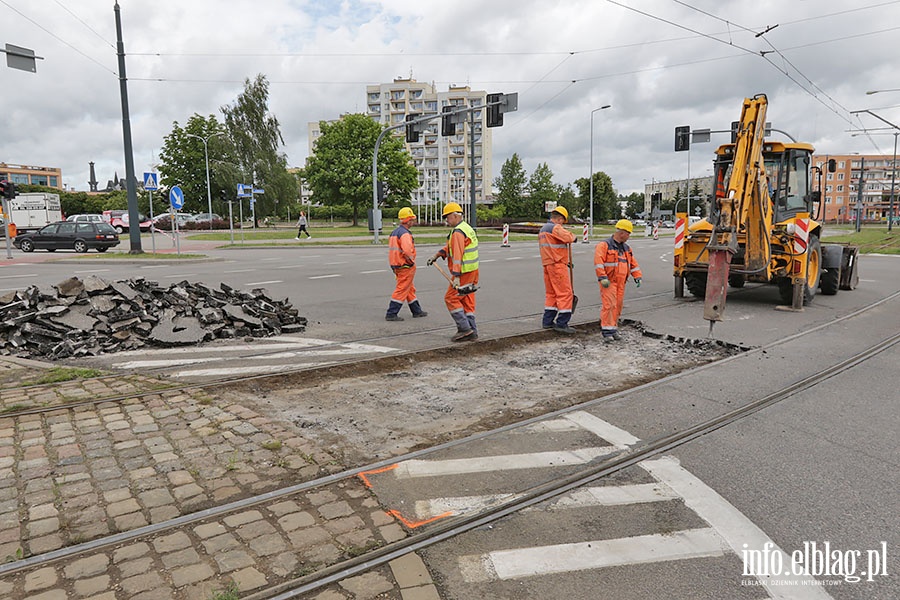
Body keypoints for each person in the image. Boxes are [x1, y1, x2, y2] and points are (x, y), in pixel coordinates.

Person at [427, 202, 479, 342]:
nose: (446, 220)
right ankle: (472, 330)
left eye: (448, 217)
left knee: (451, 298)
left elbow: (457, 255)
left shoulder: (457, 232)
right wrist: (437, 255)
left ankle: (464, 329)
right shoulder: (465, 228)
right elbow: (450, 247)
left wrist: (456, 276)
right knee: (466, 299)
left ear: (455, 216)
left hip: (463, 272)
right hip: (472, 271)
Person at [594, 219, 642, 342]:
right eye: (628, 234)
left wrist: (637, 276)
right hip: (609, 281)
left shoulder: (626, 248)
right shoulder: (604, 245)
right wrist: (602, 277)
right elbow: (598, 262)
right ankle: (607, 331)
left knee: (618, 306)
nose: (629, 236)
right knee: (609, 305)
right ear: (622, 233)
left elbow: (632, 263)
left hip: (621, 283)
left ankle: (613, 328)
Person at [538, 206, 577, 334]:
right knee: (565, 294)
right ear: (560, 219)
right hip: (557, 265)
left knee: (551, 294)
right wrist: (574, 236)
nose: (562, 224)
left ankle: (547, 321)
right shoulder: (555, 227)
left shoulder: (543, 229)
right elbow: (569, 237)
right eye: (563, 222)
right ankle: (562, 323)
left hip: (548, 264)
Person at [385, 207, 427, 321]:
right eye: (412, 219)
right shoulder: (405, 234)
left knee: (409, 288)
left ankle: (416, 310)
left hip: (396, 265)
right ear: (408, 221)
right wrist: (411, 261)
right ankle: (391, 313)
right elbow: (407, 251)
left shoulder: (395, 232)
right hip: (405, 266)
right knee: (402, 289)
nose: (413, 222)